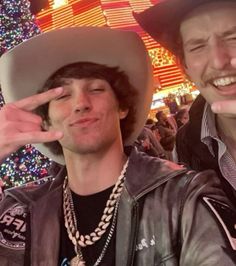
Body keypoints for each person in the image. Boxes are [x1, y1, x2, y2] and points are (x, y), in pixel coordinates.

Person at [0, 26, 235, 266]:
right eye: (62, 96)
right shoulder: (19, 212)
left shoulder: (184, 198)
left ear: (122, 107)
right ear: (46, 119)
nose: (81, 103)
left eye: (96, 89)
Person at [134, 0, 236, 193]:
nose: (218, 61)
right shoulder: (187, 142)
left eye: (233, 38)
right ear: (185, 67)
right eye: (197, 47)